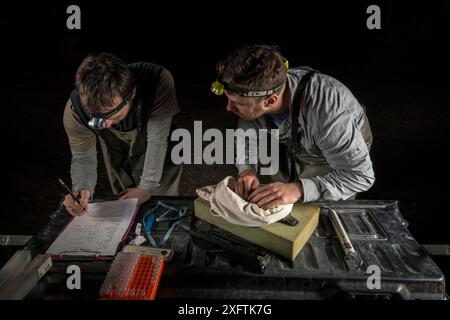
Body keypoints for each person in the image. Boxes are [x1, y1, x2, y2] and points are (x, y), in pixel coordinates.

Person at [211, 45, 374, 209]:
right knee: (279, 200)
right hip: (291, 139)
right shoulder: (259, 89)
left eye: (238, 104)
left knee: (319, 211)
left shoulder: (330, 115)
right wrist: (246, 170)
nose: (229, 108)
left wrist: (299, 189)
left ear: (270, 101)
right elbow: (247, 135)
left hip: (331, 152)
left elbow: (360, 176)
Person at [62, 52, 182, 215]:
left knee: (158, 199)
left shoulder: (158, 81)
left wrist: (146, 188)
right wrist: (82, 187)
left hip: (153, 134)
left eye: (110, 113)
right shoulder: (75, 110)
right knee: (124, 200)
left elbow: (158, 140)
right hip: (113, 144)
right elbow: (83, 157)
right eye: (97, 116)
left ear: (131, 94)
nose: (105, 123)